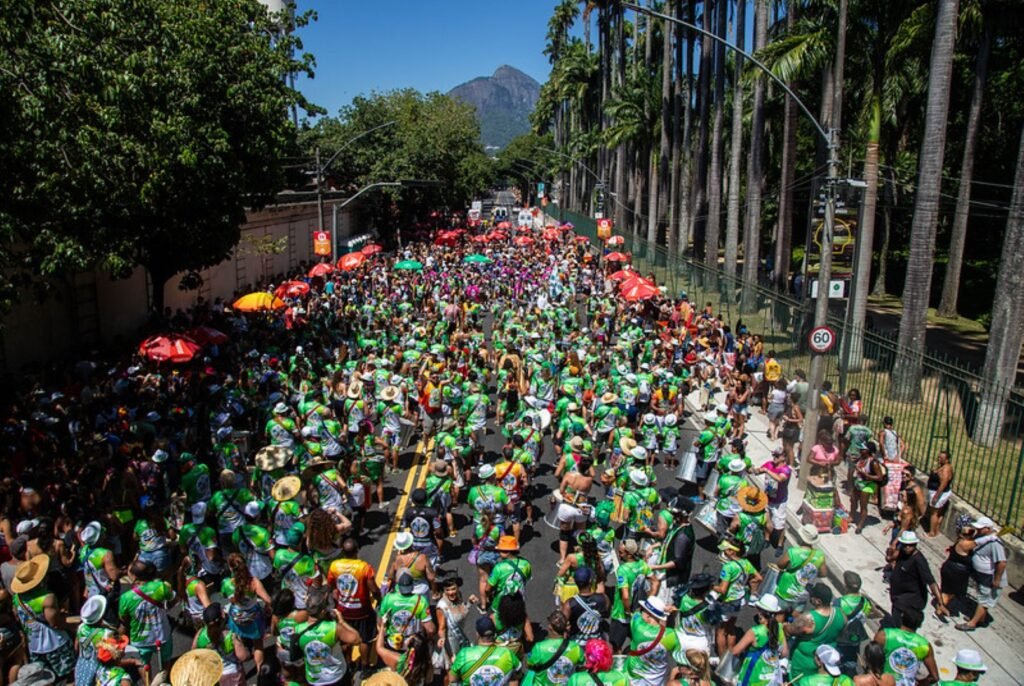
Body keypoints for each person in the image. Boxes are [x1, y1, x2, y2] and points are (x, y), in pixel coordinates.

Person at [12, 555, 75, 681]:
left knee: (42, 680)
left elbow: (18, 617)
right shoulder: (47, 598)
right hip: (54, 644)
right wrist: (72, 626)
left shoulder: (17, 598)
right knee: (65, 678)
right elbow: (55, 623)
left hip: (34, 646)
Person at [118, 559, 176, 673]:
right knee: (165, 664)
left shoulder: (126, 597)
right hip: (162, 635)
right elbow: (174, 599)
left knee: (143, 666)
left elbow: (123, 618)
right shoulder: (161, 587)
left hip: (140, 640)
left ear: (134, 577)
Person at [785, 583, 846, 682]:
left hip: (804, 663)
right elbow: (841, 635)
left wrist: (785, 625)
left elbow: (790, 631)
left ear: (818, 601)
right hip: (825, 663)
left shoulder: (808, 618)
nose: (810, 597)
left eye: (812, 596)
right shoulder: (841, 614)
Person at [712, 536, 761, 657]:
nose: (724, 552)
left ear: (732, 551)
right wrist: (748, 584)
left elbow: (722, 590)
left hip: (728, 602)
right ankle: (731, 657)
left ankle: (722, 660)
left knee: (721, 631)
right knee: (731, 628)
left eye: (726, 549)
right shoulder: (746, 563)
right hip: (740, 600)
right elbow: (759, 578)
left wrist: (710, 586)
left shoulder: (728, 567)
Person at [957, 516, 1007, 633]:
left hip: (990, 578)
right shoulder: (984, 537)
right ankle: (981, 619)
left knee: (984, 600)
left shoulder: (995, 543)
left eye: (981, 528)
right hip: (982, 576)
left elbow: (1002, 563)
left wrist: (997, 580)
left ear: (988, 529)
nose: (978, 530)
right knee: (982, 598)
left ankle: (972, 623)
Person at [887, 531, 947, 626]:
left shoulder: (919, 561)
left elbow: (931, 582)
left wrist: (940, 603)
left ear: (915, 544)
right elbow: (889, 558)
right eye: (905, 545)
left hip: (910, 600)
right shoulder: (902, 552)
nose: (907, 547)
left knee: (900, 623)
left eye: (910, 545)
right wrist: (890, 550)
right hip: (897, 595)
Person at [730, 593, 787, 686]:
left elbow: (735, 651)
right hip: (770, 675)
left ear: (760, 611)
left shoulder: (755, 632)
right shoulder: (779, 627)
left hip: (753, 674)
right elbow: (784, 652)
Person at [609, 539, 656, 650]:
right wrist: (649, 599)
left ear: (629, 554)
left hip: (621, 615)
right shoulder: (642, 564)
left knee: (615, 647)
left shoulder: (623, 570)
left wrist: (627, 611)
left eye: (621, 552)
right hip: (638, 611)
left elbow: (625, 596)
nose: (619, 555)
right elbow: (655, 581)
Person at [447, 616, 522, 686]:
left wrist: (453, 663)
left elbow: (452, 679)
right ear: (494, 634)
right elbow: (517, 675)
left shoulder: (464, 654)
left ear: (477, 634)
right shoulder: (507, 653)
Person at [873, 607, 939, 686]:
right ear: (920, 625)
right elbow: (935, 677)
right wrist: (919, 683)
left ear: (901, 619)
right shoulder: (925, 645)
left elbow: (871, 658)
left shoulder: (884, 635)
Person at [625, 596, 679, 686]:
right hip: (659, 682)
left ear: (648, 615)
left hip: (635, 679)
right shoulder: (670, 635)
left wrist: (663, 609)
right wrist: (663, 611)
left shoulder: (637, 626)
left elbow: (636, 612)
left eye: (643, 610)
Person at [192, 603, 249, 686]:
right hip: (232, 673)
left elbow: (193, 651)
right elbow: (243, 656)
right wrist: (247, 651)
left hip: (213, 674)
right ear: (221, 618)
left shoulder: (200, 634)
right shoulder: (230, 636)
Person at [524, 611, 583, 686]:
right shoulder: (575, 647)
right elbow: (583, 666)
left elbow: (529, 664)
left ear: (550, 627)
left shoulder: (539, 647)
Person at [775, 526, 827, 611]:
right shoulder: (820, 555)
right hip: (802, 595)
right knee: (795, 620)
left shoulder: (793, 552)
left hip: (786, 591)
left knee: (779, 615)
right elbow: (823, 573)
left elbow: (780, 565)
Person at [436, 577, 477, 672]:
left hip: (462, 636)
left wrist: (469, 603)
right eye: (447, 590)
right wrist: (449, 652)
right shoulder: (442, 606)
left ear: (458, 588)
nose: (451, 592)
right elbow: (441, 628)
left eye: (453, 589)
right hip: (450, 643)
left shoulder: (459, 597)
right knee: (452, 669)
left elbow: (461, 612)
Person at [486, 536, 533, 614]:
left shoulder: (499, 568)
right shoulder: (526, 564)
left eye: (500, 550)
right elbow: (526, 579)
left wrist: (490, 596)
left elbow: (487, 589)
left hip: (499, 603)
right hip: (518, 602)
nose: (498, 553)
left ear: (507, 552)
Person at [563, 566, 609, 642]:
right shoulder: (603, 598)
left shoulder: (569, 604)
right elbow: (607, 614)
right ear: (590, 581)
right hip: (597, 643)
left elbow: (562, 625)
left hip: (577, 645)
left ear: (575, 582)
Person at [850, 444, 885, 533]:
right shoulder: (861, 458)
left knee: (863, 505)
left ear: (868, 451)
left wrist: (866, 475)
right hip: (858, 482)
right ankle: (851, 516)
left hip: (867, 485)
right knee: (853, 500)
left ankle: (860, 525)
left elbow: (879, 477)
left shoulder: (873, 462)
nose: (861, 450)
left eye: (863, 449)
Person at [925, 451, 954, 538]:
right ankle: (936, 529)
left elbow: (943, 483)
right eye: (939, 457)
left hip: (938, 493)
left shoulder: (945, 469)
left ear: (947, 459)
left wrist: (936, 496)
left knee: (934, 513)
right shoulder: (943, 466)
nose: (939, 459)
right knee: (938, 512)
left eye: (941, 458)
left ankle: (931, 532)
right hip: (937, 492)